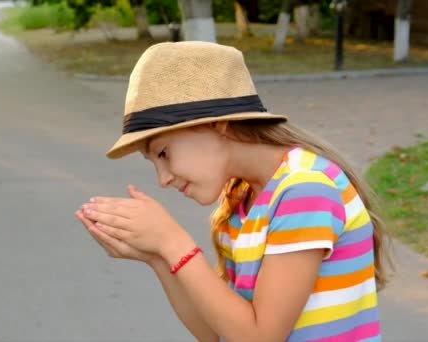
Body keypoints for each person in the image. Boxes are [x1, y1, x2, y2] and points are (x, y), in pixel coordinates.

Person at [74, 41, 391, 342]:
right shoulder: (240, 199)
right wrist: (157, 257)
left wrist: (173, 242)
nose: (163, 179)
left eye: (164, 154)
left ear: (217, 124)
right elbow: (219, 332)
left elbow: (258, 337)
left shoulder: (304, 191)